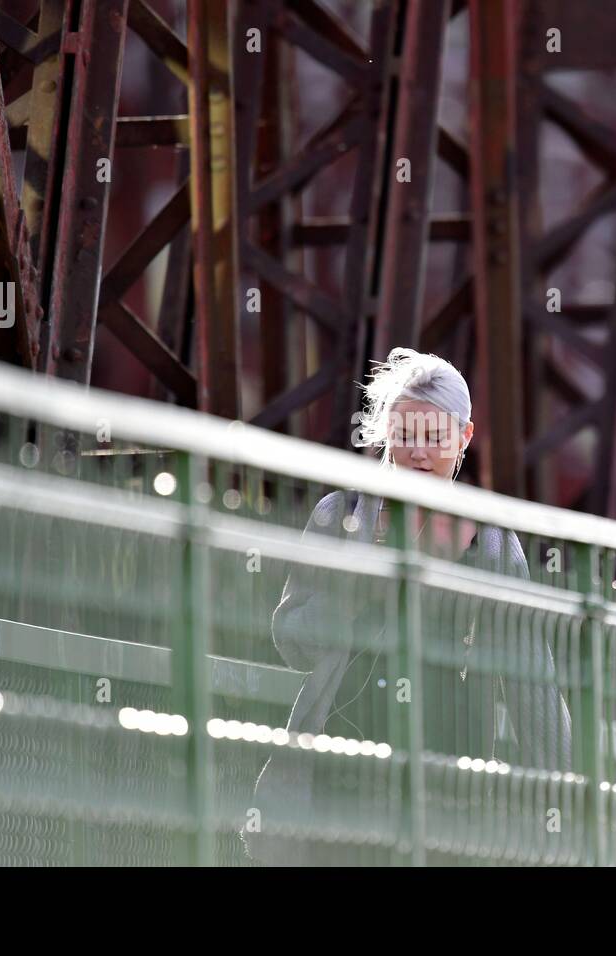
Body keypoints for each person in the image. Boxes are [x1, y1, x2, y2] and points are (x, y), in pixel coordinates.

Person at [243, 348, 573, 865]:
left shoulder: (491, 543)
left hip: (451, 776)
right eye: (406, 436)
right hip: (344, 764)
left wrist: (560, 798)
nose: (419, 453)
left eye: (436, 437)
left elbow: (532, 677)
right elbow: (290, 640)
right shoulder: (340, 515)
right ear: (385, 435)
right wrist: (354, 593)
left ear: (464, 437)